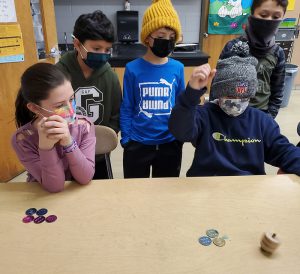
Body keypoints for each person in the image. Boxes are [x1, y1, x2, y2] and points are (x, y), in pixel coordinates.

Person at [169, 42, 300, 177]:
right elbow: (180, 132)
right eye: (230, 95)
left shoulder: (262, 122)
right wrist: (191, 94)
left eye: (243, 96)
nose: (237, 100)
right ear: (219, 92)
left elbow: (284, 151)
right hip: (205, 185)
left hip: (246, 188)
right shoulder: (203, 115)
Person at [120, 0, 185, 178]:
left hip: (169, 143)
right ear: (148, 37)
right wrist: (127, 139)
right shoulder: (132, 68)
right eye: (161, 35)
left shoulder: (178, 68)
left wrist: (179, 138)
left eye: (172, 38)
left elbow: (181, 105)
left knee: (165, 195)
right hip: (138, 143)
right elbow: (127, 106)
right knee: (135, 194)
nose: (166, 41)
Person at [56, 10, 121, 179]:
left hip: (98, 155)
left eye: (107, 49)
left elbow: (116, 114)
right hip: (64, 154)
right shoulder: (59, 74)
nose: (102, 54)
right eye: (96, 48)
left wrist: (102, 141)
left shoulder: (110, 77)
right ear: (77, 44)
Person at [12, 63, 96, 193]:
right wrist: (46, 148)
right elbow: (54, 186)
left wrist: (68, 142)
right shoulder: (23, 139)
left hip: (76, 193)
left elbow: (85, 177)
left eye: (72, 98)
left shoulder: (84, 125)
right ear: (34, 108)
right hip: (41, 195)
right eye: (59, 105)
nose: (70, 109)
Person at [210, 0, 288, 119]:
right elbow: (217, 84)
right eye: (263, 15)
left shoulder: (278, 53)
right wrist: (213, 114)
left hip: (261, 116)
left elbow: (277, 90)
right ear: (252, 14)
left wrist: (269, 118)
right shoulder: (233, 46)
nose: (268, 20)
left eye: (276, 16)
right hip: (230, 114)